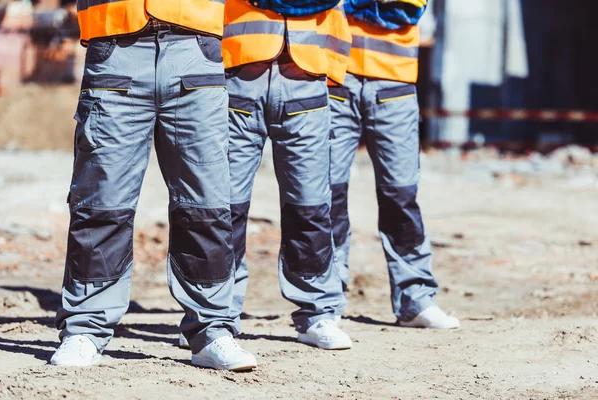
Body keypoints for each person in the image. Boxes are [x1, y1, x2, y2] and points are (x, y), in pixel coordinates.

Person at [50, 0, 257, 371]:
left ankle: (212, 330)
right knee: (101, 201)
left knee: (205, 204)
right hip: (115, 43)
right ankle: (85, 328)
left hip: (196, 45)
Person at [222, 0, 354, 349]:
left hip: (305, 72)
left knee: (309, 206)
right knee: (224, 206)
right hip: (237, 69)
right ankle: (216, 317)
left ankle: (317, 313)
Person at [328, 0, 460, 329]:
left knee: (400, 195)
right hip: (333, 77)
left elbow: (405, 8)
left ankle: (415, 299)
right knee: (326, 195)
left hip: (393, 81)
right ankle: (326, 302)